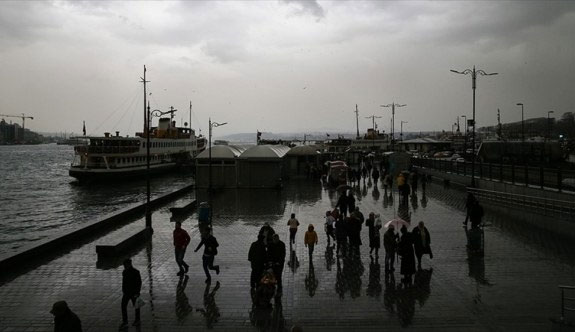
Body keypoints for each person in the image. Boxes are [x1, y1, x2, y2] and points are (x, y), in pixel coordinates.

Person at [120, 259, 141, 329]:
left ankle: (136, 320)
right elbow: (124, 282)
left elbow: (139, 283)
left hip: (133, 292)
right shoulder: (125, 272)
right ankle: (126, 321)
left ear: (129, 264)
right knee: (124, 306)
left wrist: (137, 292)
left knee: (136, 306)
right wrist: (123, 290)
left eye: (125, 265)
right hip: (127, 292)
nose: (124, 266)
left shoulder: (135, 272)